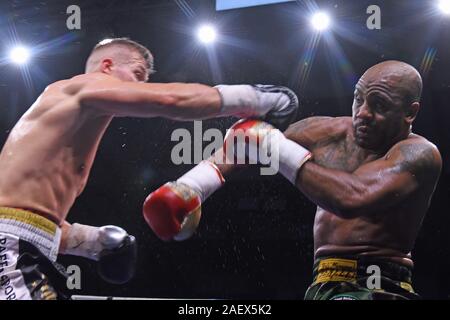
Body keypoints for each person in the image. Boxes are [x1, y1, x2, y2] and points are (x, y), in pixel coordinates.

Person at [0, 37, 299, 300]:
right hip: (12, 250)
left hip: (22, 248)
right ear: (106, 66)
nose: (141, 87)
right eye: (137, 74)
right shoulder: (81, 86)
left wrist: (93, 242)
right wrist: (256, 98)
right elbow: (170, 100)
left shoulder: (68, 129)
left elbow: (28, 217)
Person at [144, 60, 442, 300]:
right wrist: (191, 188)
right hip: (320, 283)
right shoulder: (328, 132)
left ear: (409, 112)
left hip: (379, 284)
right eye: (359, 99)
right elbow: (246, 143)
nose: (362, 113)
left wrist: (271, 144)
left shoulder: (419, 154)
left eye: (379, 104)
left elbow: (352, 199)